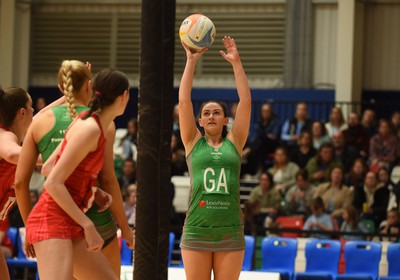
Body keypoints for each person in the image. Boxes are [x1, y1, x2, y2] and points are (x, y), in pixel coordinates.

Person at [15, 61, 134, 277]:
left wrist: (92, 191)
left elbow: (49, 167)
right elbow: (52, 181)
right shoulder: (90, 127)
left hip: (69, 219)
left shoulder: (86, 121)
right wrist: (88, 225)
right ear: (124, 96)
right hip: (53, 219)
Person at [179, 36, 251, 280]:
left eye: (217, 113)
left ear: (225, 120)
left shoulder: (235, 143)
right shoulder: (192, 142)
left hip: (230, 231)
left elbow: (246, 102)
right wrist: (191, 61)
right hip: (197, 230)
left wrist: (236, 63)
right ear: (200, 121)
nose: (211, 116)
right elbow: (183, 101)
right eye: (206, 113)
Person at [0, 87, 35, 280]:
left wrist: (68, 97)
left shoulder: (16, 137)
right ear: (22, 112)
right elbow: (12, 154)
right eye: (32, 108)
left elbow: (45, 115)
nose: (34, 113)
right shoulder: (4, 135)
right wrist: (50, 158)